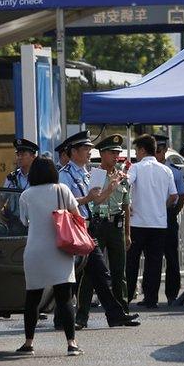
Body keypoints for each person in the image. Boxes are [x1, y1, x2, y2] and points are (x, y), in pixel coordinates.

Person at [57, 131, 140, 328]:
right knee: (87, 275)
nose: (88, 152)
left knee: (101, 275)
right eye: (85, 149)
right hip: (76, 228)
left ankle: (112, 314)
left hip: (89, 227)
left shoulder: (87, 174)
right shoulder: (65, 175)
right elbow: (63, 202)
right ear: (74, 151)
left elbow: (96, 201)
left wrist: (109, 190)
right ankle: (70, 316)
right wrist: (89, 199)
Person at [16, 157, 83, 356]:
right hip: (60, 250)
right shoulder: (62, 190)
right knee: (65, 298)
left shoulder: (26, 195)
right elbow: (78, 217)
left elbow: (24, 222)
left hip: (35, 252)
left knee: (32, 298)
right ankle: (71, 343)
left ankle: (28, 343)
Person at [76, 134, 132, 325]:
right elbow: (92, 202)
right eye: (112, 153)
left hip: (116, 225)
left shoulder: (122, 177)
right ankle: (81, 316)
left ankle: (121, 313)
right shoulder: (94, 175)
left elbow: (126, 206)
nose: (116, 156)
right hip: (98, 225)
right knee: (92, 273)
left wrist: (127, 233)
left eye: (118, 153)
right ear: (102, 153)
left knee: (119, 271)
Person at [125, 134, 178, 308]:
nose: (136, 154)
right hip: (159, 223)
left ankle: (128, 294)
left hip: (138, 222)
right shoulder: (166, 170)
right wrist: (162, 206)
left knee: (132, 260)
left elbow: (126, 184)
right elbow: (174, 196)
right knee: (154, 262)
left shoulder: (136, 168)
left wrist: (129, 204)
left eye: (136, 150)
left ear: (141, 150)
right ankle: (151, 298)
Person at [154, 134, 184, 305]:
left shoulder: (174, 171)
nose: (156, 154)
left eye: (159, 151)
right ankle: (150, 294)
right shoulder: (144, 169)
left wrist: (173, 212)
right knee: (153, 257)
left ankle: (172, 294)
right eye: (153, 151)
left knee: (171, 257)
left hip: (167, 215)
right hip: (149, 216)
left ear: (165, 150)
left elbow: (182, 196)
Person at [2, 138, 37, 235]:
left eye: (23, 154)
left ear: (33, 156)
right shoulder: (11, 178)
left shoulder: (40, 177)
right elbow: (2, 199)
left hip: (36, 223)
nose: (19, 158)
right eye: (18, 155)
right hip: (16, 224)